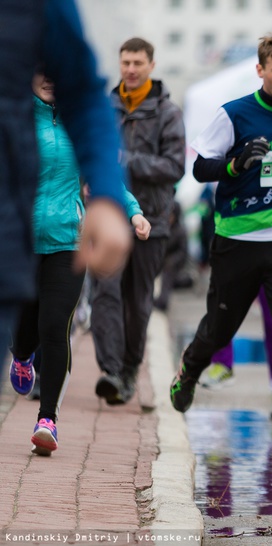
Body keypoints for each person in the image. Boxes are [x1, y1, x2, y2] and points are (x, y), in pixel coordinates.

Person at [169, 34, 272, 477]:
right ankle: (191, 368)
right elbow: (200, 167)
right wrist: (237, 165)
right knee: (219, 331)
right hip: (237, 242)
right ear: (260, 71)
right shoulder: (234, 114)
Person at [8, 71, 151, 456]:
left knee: (55, 326)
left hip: (67, 242)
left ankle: (48, 420)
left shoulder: (80, 121)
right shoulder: (15, 116)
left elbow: (105, 177)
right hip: (20, 242)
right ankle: (20, 356)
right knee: (25, 325)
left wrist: (133, 212)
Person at [1, 0, 132, 390]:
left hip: (19, 232)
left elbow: (84, 94)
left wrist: (108, 198)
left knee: (52, 324)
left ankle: (48, 412)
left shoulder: (41, 6)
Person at [91, 37, 186, 406]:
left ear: (151, 65)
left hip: (154, 221)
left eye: (137, 63)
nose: (130, 69)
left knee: (137, 300)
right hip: (107, 216)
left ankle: (130, 370)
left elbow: (174, 166)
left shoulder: (168, 113)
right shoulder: (103, 108)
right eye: (125, 62)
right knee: (104, 292)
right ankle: (111, 370)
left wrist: (126, 161)